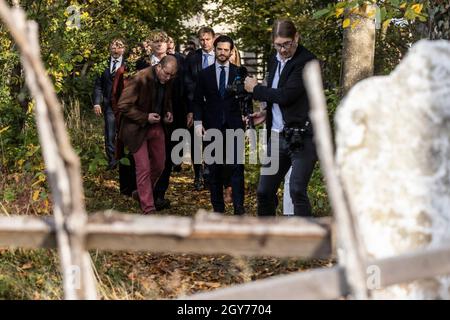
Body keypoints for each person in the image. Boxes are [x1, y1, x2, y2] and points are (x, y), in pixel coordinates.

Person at [244, 19, 318, 217]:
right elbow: (278, 95)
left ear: (296, 37)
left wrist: (256, 89)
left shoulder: (306, 61)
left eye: (287, 44)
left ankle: (307, 240)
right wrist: (266, 112)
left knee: (296, 190)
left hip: (303, 137)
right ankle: (267, 242)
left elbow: (287, 95)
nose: (283, 49)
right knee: (264, 192)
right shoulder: (273, 59)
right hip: (277, 135)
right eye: (278, 45)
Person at [117, 55, 177, 215]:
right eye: (166, 73)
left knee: (160, 165)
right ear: (158, 67)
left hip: (156, 126)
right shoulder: (140, 78)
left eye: (172, 75)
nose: (169, 77)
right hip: (136, 129)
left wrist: (167, 113)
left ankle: (140, 193)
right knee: (143, 168)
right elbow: (123, 104)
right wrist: (145, 117)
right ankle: (148, 208)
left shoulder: (168, 79)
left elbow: (166, 99)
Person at [193, 35, 246, 215]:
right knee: (214, 171)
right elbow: (198, 101)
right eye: (219, 49)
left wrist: (247, 116)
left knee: (237, 169)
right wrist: (198, 123)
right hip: (211, 127)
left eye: (226, 50)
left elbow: (246, 99)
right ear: (215, 50)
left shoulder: (239, 72)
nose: (222, 53)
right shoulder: (204, 74)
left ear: (231, 52)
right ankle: (218, 210)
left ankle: (239, 209)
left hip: (234, 126)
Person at [184, 27, 216, 191]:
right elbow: (187, 83)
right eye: (202, 39)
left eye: (207, 39)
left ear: (213, 38)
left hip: (214, 106)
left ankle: (210, 174)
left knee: (211, 140)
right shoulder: (193, 57)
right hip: (196, 105)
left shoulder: (220, 55)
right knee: (196, 141)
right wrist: (190, 109)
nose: (204, 42)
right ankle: (198, 175)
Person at [93, 38, 126, 170]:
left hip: (124, 105)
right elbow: (98, 86)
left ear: (124, 49)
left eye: (119, 47)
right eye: (113, 47)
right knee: (110, 133)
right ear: (109, 48)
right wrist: (97, 103)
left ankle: (124, 159)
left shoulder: (130, 64)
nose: (116, 50)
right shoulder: (103, 64)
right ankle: (112, 160)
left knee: (124, 132)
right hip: (108, 105)